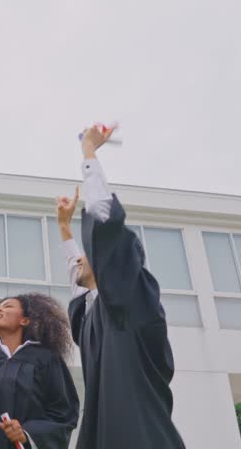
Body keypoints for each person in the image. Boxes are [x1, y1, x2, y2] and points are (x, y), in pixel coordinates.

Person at [56, 124, 185, 448]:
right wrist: (64, 228)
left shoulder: (130, 301)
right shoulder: (95, 316)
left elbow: (106, 224)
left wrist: (88, 153)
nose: (82, 260)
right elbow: (80, 286)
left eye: (90, 253)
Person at [0, 293, 80, 448]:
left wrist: (27, 434)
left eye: (8, 306)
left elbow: (63, 414)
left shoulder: (46, 359)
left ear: (25, 320)